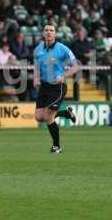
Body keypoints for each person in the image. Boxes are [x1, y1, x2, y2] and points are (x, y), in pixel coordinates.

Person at [33, 23, 79, 154]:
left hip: (57, 86)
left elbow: (75, 66)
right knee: (39, 117)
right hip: (44, 86)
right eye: (46, 30)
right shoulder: (37, 50)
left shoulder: (62, 49)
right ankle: (66, 113)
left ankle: (57, 146)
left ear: (55, 34)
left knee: (48, 116)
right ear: (43, 33)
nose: (48, 32)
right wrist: (36, 78)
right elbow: (36, 67)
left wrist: (63, 75)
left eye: (51, 30)